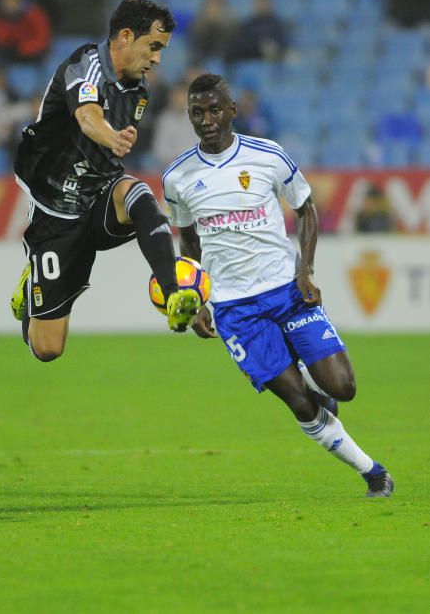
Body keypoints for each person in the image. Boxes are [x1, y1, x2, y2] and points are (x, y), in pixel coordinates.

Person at [163, 73, 394, 497]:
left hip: (287, 292)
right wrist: (196, 299)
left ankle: (307, 372)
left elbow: (306, 209)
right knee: (299, 402)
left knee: (343, 388)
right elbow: (188, 240)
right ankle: (373, 472)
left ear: (232, 110)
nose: (207, 119)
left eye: (215, 110)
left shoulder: (268, 156)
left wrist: (305, 270)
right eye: (197, 112)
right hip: (235, 309)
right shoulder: (178, 178)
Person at [10, 0, 200, 362]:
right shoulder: (84, 67)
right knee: (48, 349)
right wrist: (111, 136)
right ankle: (33, 281)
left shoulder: (140, 88)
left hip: (99, 193)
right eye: (154, 46)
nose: (158, 58)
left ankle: (174, 290)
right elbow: (87, 116)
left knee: (140, 195)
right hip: (56, 209)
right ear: (126, 36)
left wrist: (113, 145)